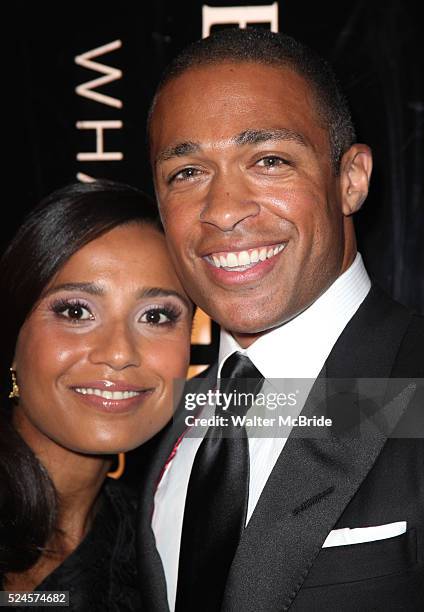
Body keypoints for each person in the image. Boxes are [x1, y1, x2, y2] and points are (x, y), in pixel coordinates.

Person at [138, 28, 424, 611]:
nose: (222, 211)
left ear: (350, 179)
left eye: (269, 161)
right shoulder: (158, 422)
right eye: (186, 172)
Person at [0, 180, 193, 610]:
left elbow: (368, 410)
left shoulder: (159, 552)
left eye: (157, 316)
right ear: (13, 337)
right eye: (75, 311)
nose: (120, 353)